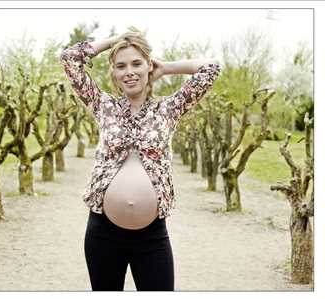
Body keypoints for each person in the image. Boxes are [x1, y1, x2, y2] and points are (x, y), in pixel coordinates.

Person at [60, 27, 221, 291]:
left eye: (137, 63)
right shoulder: (103, 105)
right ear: (113, 72)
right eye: (121, 66)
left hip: (152, 235)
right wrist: (117, 40)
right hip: (102, 232)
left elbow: (211, 68)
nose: (129, 72)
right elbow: (70, 58)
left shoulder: (169, 108)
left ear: (149, 65)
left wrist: (166, 68)